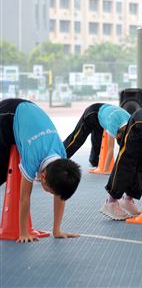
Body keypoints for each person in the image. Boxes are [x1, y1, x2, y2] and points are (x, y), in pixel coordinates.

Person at [0, 99, 81, 242]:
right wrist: (24, 232)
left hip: (29, 113)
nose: (52, 194)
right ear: (42, 176)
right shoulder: (32, 158)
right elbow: (24, 197)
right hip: (8, 114)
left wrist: (57, 230)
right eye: (50, 191)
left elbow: (60, 195)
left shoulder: (62, 158)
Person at [64, 103, 130, 169]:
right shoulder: (112, 125)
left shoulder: (130, 122)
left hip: (104, 114)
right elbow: (110, 149)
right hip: (93, 112)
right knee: (77, 139)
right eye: (117, 136)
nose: (116, 137)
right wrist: (106, 170)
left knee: (98, 140)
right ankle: (60, 156)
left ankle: (94, 161)